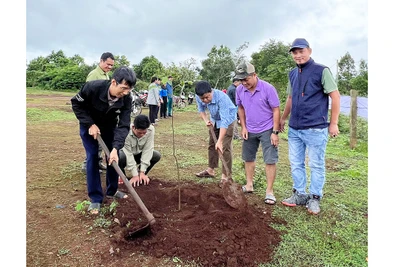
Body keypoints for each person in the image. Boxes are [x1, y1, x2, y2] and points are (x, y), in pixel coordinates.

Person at [280, 38, 341, 215]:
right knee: (296, 163)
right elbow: (290, 99)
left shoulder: (321, 71)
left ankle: (314, 198)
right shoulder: (292, 73)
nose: (298, 55)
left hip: (316, 127)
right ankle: (299, 194)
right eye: (295, 52)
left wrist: (334, 123)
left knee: (316, 164)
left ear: (309, 51)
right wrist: (283, 119)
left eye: (301, 51)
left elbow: (335, 97)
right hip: (295, 128)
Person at [71, 66, 136, 215]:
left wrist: (115, 148)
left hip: (108, 126)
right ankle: (95, 198)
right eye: (124, 88)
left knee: (114, 157)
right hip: (89, 125)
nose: (126, 92)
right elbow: (76, 104)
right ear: (113, 82)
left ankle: (112, 191)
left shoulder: (127, 98)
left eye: (129, 89)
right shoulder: (93, 87)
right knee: (93, 156)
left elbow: (124, 124)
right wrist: (90, 124)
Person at [234, 62, 280, 205]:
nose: (244, 83)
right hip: (250, 129)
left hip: (267, 129)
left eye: (246, 79)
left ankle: (269, 192)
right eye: (241, 80)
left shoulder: (268, 89)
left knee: (270, 159)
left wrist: (275, 132)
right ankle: (249, 185)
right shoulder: (240, 90)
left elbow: (276, 110)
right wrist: (243, 126)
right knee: (248, 158)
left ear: (254, 75)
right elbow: (240, 108)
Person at [194, 81, 237, 184]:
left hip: (228, 120)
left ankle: (225, 175)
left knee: (225, 147)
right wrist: (206, 120)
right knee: (212, 144)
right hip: (214, 119)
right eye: (202, 98)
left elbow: (224, 121)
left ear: (211, 92)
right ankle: (211, 170)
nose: (205, 100)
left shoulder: (222, 98)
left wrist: (220, 140)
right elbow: (201, 109)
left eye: (207, 97)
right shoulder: (198, 96)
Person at [82, 52, 115, 173]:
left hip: (103, 115)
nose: (110, 67)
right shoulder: (94, 75)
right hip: (93, 115)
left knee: (100, 142)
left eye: (112, 65)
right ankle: (87, 165)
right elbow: (87, 96)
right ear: (101, 61)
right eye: (108, 64)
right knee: (93, 142)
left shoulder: (106, 75)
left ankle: (98, 162)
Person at [118, 114, 161, 187]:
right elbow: (128, 154)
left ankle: (141, 175)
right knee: (119, 157)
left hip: (138, 154)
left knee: (156, 155)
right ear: (133, 127)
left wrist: (142, 171)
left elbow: (148, 149)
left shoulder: (151, 130)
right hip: (125, 155)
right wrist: (134, 175)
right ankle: (122, 177)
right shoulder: (126, 132)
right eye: (139, 133)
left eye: (144, 133)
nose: (142, 135)